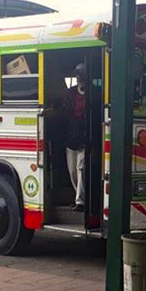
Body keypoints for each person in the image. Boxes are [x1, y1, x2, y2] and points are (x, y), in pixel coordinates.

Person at [64, 63, 88, 211]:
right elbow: (66, 110)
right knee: (72, 170)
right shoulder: (71, 92)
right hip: (72, 134)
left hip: (84, 135)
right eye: (77, 75)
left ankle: (80, 201)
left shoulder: (92, 92)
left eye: (81, 74)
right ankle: (77, 196)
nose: (78, 77)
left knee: (81, 168)